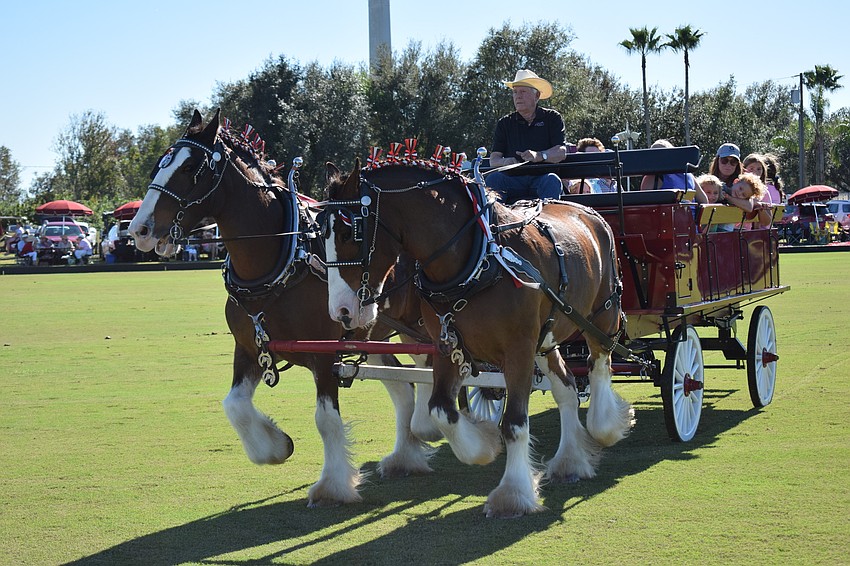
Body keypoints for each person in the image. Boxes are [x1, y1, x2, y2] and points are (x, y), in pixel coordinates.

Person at [487, 69, 567, 203]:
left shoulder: (552, 118)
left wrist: (539, 156)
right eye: (515, 92)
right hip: (511, 181)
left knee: (552, 180)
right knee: (494, 179)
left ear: (537, 96)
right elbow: (493, 160)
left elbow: (561, 152)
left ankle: (547, 223)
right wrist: (505, 162)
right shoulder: (505, 123)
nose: (518, 96)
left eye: (523, 92)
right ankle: (491, 222)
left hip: (542, 179)